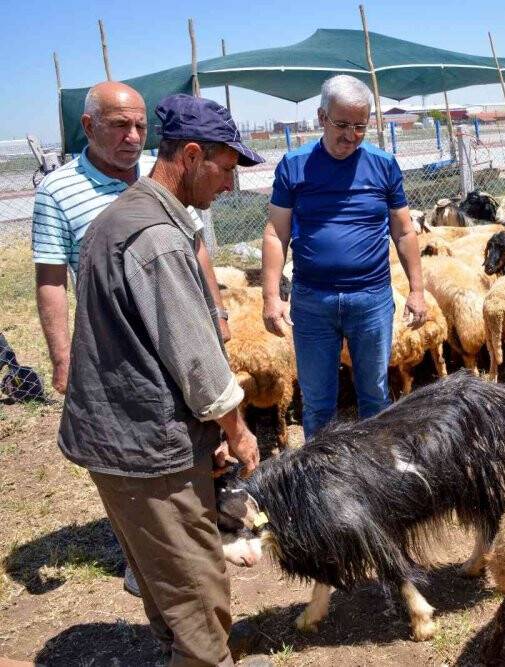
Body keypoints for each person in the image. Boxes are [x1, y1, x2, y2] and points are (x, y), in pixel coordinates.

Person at [57, 94, 264, 666]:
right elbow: (197, 362)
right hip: (146, 448)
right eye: (225, 169)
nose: (229, 184)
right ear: (193, 156)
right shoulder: (158, 238)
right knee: (196, 590)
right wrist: (237, 430)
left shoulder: (119, 216)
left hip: (116, 440)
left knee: (162, 578)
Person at [31, 81, 231, 599]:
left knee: (186, 444)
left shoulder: (159, 180)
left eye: (141, 126)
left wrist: (215, 311)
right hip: (120, 341)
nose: (132, 136)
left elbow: (195, 247)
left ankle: (177, 551)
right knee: (143, 452)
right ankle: (158, 562)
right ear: (88, 126)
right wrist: (61, 355)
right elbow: (52, 277)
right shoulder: (60, 192)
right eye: (120, 125)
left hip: (174, 326)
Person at [260, 75, 427, 439]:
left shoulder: (383, 165)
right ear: (321, 117)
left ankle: (374, 474)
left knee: (376, 394)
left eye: (360, 127)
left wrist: (417, 289)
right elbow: (276, 232)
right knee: (319, 401)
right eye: (341, 125)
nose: (350, 135)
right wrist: (271, 296)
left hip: (371, 299)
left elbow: (404, 230)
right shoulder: (295, 165)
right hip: (312, 301)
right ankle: (321, 481)